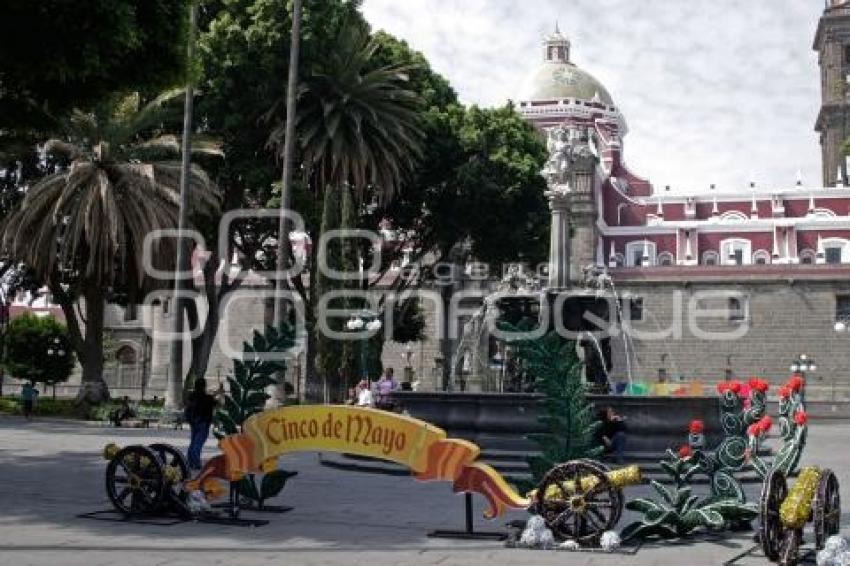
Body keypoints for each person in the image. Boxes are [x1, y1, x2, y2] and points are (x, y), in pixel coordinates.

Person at [185, 378, 217, 471]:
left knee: (193, 442)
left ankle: (190, 462)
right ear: (204, 386)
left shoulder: (192, 396)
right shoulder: (207, 398)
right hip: (203, 422)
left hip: (194, 422)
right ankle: (196, 463)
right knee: (198, 443)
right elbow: (216, 403)